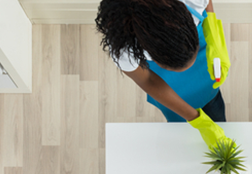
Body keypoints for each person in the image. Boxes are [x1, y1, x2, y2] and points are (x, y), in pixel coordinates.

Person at [95, 0, 232, 150]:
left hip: (204, 80)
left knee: (213, 102)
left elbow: (206, 3)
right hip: (169, 88)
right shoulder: (124, 48)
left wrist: (213, 37)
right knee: (180, 134)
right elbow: (148, 80)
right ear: (153, 57)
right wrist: (199, 122)